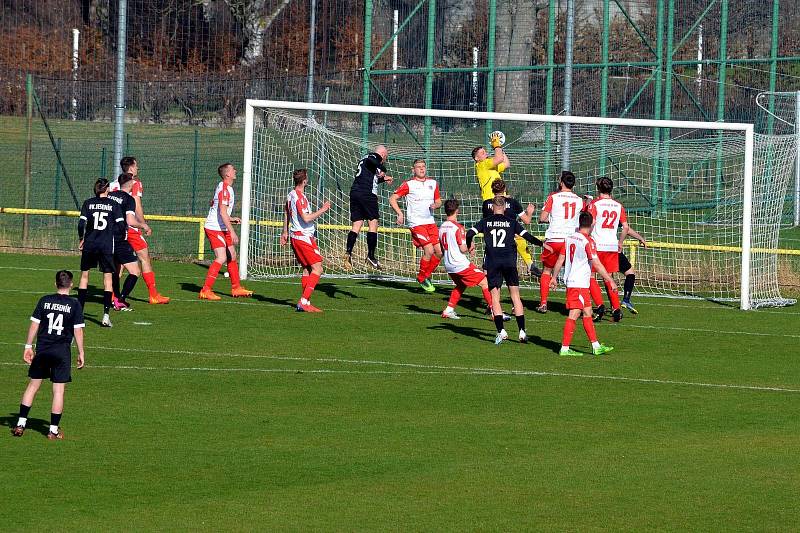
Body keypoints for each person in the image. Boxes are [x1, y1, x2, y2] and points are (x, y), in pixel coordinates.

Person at [12, 270, 85, 440]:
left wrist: (28, 346)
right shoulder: (74, 304)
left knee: (33, 386)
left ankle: (20, 424)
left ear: (55, 284)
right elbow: (78, 330)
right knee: (58, 391)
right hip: (62, 352)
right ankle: (52, 430)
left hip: (43, 349)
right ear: (71, 285)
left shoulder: (44, 300)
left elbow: (34, 325)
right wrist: (81, 351)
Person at [467, 196, 550, 345]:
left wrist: (469, 246)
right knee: (515, 296)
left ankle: (501, 331)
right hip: (509, 262)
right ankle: (522, 332)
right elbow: (528, 236)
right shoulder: (511, 222)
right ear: (505, 208)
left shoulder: (485, 222)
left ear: (492, 207)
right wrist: (542, 244)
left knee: (495, 297)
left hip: (493, 262)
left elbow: (469, 233)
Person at [550, 212, 616, 356]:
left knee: (588, 312)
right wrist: (610, 280)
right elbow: (597, 264)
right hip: (578, 283)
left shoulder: (570, 238)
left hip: (577, 282)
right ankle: (565, 348)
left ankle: (596, 346)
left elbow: (561, 259)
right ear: (592, 224)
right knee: (574, 314)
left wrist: (554, 277)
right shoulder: (588, 241)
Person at [586, 176, 647, 322]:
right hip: (612, 246)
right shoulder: (618, 206)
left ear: (598, 188)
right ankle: (616, 309)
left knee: (589, 277)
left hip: (597, 245)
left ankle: (600, 306)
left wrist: (586, 236)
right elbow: (625, 227)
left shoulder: (594, 204)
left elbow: (592, 223)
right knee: (609, 277)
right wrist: (620, 242)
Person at [472, 134, 536, 274]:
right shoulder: (482, 164)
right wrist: (497, 145)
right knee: (498, 234)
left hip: (501, 203)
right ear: (477, 158)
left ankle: (530, 264)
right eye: (482, 153)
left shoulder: (491, 166)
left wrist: (501, 146)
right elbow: (499, 158)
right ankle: (487, 265)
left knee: (513, 232)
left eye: (485, 151)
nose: (485, 153)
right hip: (492, 205)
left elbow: (506, 163)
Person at [110, 156, 170, 304]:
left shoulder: (112, 185)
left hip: (114, 228)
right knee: (144, 257)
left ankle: (113, 296)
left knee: (119, 262)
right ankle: (153, 294)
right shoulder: (135, 183)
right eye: (136, 166)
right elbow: (137, 205)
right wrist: (143, 224)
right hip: (130, 227)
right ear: (130, 167)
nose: (138, 168)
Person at [199, 163, 254, 300]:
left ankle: (236, 288)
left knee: (232, 255)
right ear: (227, 174)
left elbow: (221, 212)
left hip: (222, 226)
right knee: (222, 257)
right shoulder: (224, 189)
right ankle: (206, 290)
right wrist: (233, 231)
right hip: (214, 228)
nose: (235, 170)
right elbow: (222, 213)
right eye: (232, 169)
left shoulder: (226, 188)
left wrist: (231, 218)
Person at [281, 168, 331, 312]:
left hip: (296, 236)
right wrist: (323, 209)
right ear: (304, 181)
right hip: (303, 237)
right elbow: (306, 218)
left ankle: (306, 302)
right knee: (318, 268)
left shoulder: (290, 195)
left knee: (307, 269)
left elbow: (286, 212)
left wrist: (284, 231)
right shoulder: (299, 197)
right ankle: (303, 301)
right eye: (307, 178)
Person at [77, 178, 126, 327]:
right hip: (105, 245)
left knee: (84, 276)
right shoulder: (114, 204)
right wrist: (118, 235)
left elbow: (81, 224)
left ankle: (79, 314)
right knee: (107, 280)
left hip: (90, 244)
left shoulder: (88, 203)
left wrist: (82, 238)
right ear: (107, 189)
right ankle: (105, 315)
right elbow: (121, 225)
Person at [388, 159, 443, 292]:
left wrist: (436, 205)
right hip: (416, 223)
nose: (421, 169)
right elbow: (392, 198)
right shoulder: (409, 184)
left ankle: (426, 275)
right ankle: (422, 277)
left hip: (430, 222)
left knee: (440, 251)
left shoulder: (433, 183)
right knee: (429, 250)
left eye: (423, 166)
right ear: (414, 170)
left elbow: (439, 201)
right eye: (418, 167)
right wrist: (400, 213)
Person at [438, 198, 494, 320]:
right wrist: (471, 246)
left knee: (461, 285)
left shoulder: (442, 227)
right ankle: (495, 312)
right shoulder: (458, 227)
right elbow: (463, 249)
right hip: (459, 264)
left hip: (448, 264)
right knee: (484, 282)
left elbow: (442, 248)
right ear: (457, 211)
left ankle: (448, 310)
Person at [536, 170, 583, 314]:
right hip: (571, 240)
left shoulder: (553, 197)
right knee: (571, 272)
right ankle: (572, 305)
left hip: (554, 239)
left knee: (547, 271)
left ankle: (543, 303)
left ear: (561, 182)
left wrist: (553, 219)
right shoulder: (579, 200)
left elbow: (542, 218)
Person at [344, 145, 393, 271]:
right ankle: (371, 256)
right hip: (367, 194)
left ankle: (348, 252)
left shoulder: (364, 159)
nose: (383, 160)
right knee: (373, 222)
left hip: (355, 192)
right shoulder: (372, 157)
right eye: (385, 158)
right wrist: (383, 168)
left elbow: (369, 177)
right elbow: (372, 160)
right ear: (382, 155)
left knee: (357, 224)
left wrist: (383, 178)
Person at [107, 173, 152, 311]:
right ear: (131, 183)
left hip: (106, 237)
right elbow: (130, 221)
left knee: (114, 270)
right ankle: (121, 299)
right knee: (135, 271)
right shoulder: (129, 199)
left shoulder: (110, 195)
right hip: (119, 238)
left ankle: (113, 299)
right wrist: (144, 225)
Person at [481, 179, 541, 277]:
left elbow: (486, 220)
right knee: (518, 235)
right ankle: (530, 264)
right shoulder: (513, 203)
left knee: (487, 273)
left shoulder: (486, 203)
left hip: (492, 241)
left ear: (492, 190)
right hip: (508, 243)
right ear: (504, 189)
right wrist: (529, 212)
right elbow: (527, 221)